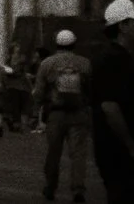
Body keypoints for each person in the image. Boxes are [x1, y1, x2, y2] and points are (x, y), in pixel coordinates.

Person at [87, 0, 134, 204]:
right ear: (123, 26)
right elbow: (110, 107)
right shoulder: (112, 59)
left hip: (124, 153)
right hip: (122, 155)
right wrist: (133, 149)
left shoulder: (120, 57)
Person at [34, 29, 92, 203]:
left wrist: (34, 113)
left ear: (56, 44)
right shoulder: (84, 63)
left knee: (53, 152)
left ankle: (51, 186)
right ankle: (78, 189)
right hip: (78, 113)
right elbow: (90, 89)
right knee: (78, 154)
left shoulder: (47, 63)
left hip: (55, 115)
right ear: (74, 44)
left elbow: (39, 92)